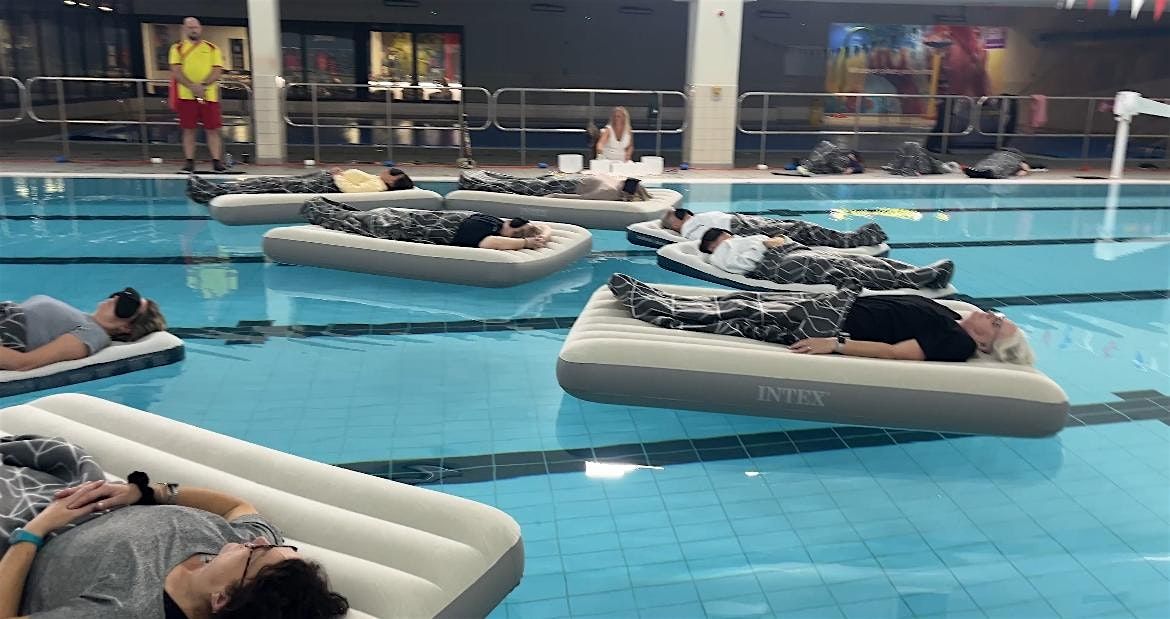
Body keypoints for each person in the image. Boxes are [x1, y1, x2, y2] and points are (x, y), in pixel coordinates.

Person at [3, 474, 349, 617]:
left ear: (221, 599)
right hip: (70, 492)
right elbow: (238, 507)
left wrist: (35, 530)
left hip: (21, 535)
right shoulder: (235, 548)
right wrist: (147, 492)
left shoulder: (125, 609)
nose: (256, 541)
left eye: (257, 552)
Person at [606, 273, 1034, 364]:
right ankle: (656, 297)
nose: (992, 316)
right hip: (831, 306)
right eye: (999, 316)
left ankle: (648, 304)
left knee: (737, 314)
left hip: (827, 326)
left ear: (985, 344)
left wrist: (836, 344)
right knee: (740, 300)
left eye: (997, 325)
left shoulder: (957, 342)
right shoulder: (957, 316)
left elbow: (896, 353)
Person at [699, 228, 954, 291]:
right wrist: (764, 243)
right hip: (779, 264)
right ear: (716, 240)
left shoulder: (735, 243)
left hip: (790, 254)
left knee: (855, 261)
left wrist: (776, 241)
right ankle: (918, 278)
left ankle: (921, 273)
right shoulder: (721, 252)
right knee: (848, 269)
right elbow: (743, 265)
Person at [0, 288, 167, 371]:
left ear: (126, 327)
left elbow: (25, 362)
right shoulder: (83, 318)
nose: (117, 298)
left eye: (126, 305)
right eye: (121, 294)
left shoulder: (93, 334)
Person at [301, 197, 552, 250]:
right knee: (341, 220)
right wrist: (527, 243)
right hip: (393, 225)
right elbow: (490, 244)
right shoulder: (487, 232)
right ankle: (312, 205)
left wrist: (541, 233)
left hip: (397, 215)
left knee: (349, 217)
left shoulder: (491, 220)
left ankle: (318, 203)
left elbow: (541, 225)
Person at [660, 208, 888, 248]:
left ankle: (852, 238)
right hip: (741, 228)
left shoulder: (694, 223)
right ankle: (854, 239)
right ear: (677, 223)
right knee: (800, 229)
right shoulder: (690, 229)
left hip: (741, 223)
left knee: (798, 228)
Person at [170, 17, 226, 174]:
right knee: (189, 129)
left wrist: (203, 85)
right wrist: (192, 86)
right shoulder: (177, 49)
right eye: (190, 27)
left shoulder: (212, 48)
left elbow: (217, 71)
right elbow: (176, 71)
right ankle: (189, 162)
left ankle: (216, 161)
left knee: (212, 129)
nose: (193, 30)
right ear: (184, 29)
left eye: (195, 27)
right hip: (186, 96)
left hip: (209, 96)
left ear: (200, 28)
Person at [186, 168, 415, 204]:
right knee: (266, 182)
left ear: (392, 180)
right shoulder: (377, 180)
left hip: (321, 186)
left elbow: (351, 191)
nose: (387, 169)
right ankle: (215, 188)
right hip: (320, 180)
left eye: (391, 171)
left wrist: (337, 176)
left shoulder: (378, 187)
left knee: (267, 185)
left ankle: (210, 192)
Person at [458, 170, 650, 201]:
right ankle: (474, 182)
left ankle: (480, 177)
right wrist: (554, 197)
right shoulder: (610, 191)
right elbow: (581, 199)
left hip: (563, 178)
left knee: (519, 182)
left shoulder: (615, 178)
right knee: (517, 186)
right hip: (563, 185)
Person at [883, 142, 962, 176]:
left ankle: (901, 168)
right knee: (909, 146)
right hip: (923, 163)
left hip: (924, 165)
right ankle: (897, 167)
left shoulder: (942, 167)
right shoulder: (940, 164)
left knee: (913, 146)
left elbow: (933, 165)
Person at [963, 147, 1045, 179]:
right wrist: (1025, 171)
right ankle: (984, 171)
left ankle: (981, 170)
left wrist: (1025, 171)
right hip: (1003, 154)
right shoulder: (1020, 160)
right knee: (995, 161)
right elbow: (1025, 167)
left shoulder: (1018, 158)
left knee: (1000, 162)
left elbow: (1025, 167)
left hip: (1009, 155)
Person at [796, 141, 865, 176]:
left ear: (855, 157)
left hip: (840, 164)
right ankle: (807, 166)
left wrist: (853, 169)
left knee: (832, 149)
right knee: (824, 151)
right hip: (834, 164)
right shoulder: (845, 157)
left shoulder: (854, 162)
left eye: (852, 155)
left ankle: (807, 166)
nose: (850, 155)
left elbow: (861, 168)